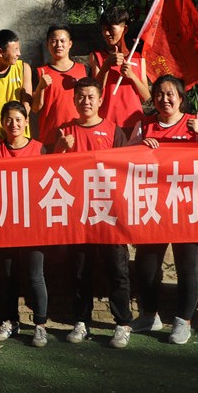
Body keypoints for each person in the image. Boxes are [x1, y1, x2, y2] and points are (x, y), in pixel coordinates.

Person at [129, 75, 198, 344]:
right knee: (146, 263)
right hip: (153, 205)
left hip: (187, 205)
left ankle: (183, 320)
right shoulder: (144, 126)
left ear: (180, 98)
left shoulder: (194, 123)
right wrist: (139, 147)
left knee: (187, 264)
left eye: (170, 94)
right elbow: (124, 158)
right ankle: (149, 315)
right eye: (159, 95)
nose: (164, 99)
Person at [55, 77, 134, 348]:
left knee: (118, 270)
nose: (85, 101)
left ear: (100, 100)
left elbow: (125, 169)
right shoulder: (65, 130)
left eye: (91, 97)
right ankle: (81, 321)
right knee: (79, 271)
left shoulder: (114, 131)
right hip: (78, 213)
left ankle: (122, 323)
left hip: (109, 213)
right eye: (81, 96)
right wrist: (60, 148)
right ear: (74, 100)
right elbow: (51, 171)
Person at [0, 102, 50, 347]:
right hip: (6, 224)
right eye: (9, 120)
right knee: (8, 275)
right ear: (2, 122)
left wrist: (63, 149)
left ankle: (40, 325)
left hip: (33, 223)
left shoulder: (40, 148)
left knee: (35, 275)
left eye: (18, 119)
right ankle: (10, 321)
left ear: (26, 122)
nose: (14, 124)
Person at [89, 7, 150, 137]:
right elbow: (95, 91)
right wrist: (106, 66)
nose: (106, 33)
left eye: (111, 29)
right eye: (104, 29)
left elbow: (146, 97)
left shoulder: (138, 57)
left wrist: (131, 76)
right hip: (107, 123)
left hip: (136, 123)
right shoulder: (97, 56)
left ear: (125, 29)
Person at [31, 24, 82, 147]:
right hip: (50, 137)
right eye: (54, 41)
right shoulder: (39, 73)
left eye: (62, 41)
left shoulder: (84, 70)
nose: (58, 45)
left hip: (79, 136)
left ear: (70, 44)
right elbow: (35, 108)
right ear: (47, 45)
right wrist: (40, 87)